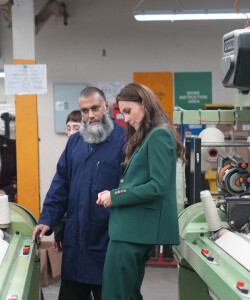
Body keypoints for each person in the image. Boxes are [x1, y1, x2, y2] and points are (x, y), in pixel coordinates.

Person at [32, 87, 126, 300]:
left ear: (107, 107)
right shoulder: (75, 143)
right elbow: (60, 185)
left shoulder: (125, 142)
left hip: (108, 243)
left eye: (95, 108)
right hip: (77, 244)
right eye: (84, 110)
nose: (90, 115)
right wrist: (48, 219)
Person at [96, 82, 186, 300]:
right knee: (128, 294)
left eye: (128, 111)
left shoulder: (158, 135)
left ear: (143, 104)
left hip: (132, 231)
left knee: (115, 295)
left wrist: (115, 196)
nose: (126, 118)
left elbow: (157, 186)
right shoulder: (151, 134)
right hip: (132, 230)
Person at [52, 109, 82, 253]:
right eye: (68, 128)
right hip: (68, 225)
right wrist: (58, 233)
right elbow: (61, 193)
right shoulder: (67, 155)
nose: (71, 133)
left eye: (76, 128)